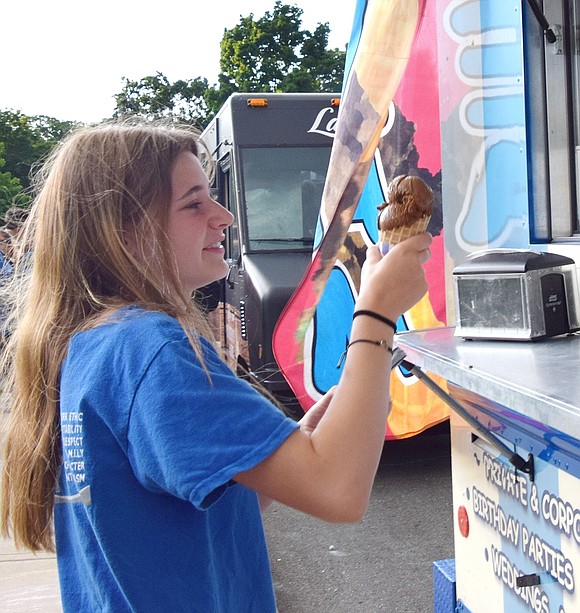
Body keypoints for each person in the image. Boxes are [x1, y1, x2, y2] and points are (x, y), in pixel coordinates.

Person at [0, 119, 431, 612]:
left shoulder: (93, 342)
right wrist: (375, 312)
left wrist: (284, 448)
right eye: (194, 203)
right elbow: (339, 490)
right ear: (123, 231)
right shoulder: (150, 349)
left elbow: (180, 508)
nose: (223, 216)